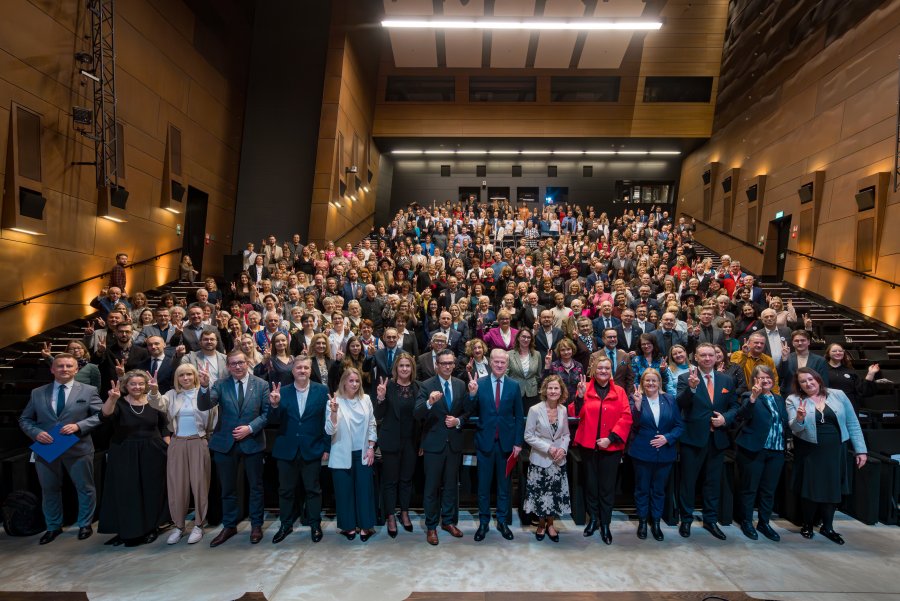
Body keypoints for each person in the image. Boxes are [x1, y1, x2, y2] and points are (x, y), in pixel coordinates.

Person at [19, 353, 103, 544]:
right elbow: (25, 419)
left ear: (76, 369)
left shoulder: (88, 391)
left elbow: (100, 415)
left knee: (85, 488)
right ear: (52, 369)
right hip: (47, 447)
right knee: (49, 489)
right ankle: (53, 526)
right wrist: (36, 433)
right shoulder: (38, 392)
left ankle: (84, 524)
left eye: (68, 366)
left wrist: (79, 426)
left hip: (78, 447)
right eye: (60, 366)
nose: (64, 369)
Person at [786, 367, 867, 545]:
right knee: (810, 487)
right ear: (799, 385)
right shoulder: (793, 399)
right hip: (810, 450)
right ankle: (807, 524)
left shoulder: (837, 394)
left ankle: (828, 527)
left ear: (818, 379)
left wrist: (861, 450)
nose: (808, 383)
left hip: (836, 449)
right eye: (803, 381)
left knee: (832, 488)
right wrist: (799, 418)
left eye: (810, 379)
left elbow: (852, 422)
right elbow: (795, 428)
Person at [197, 350, 270, 547]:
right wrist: (204, 387)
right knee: (227, 488)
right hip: (225, 444)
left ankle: (256, 525)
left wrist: (250, 428)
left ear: (247, 363)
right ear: (228, 366)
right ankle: (229, 525)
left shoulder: (261, 384)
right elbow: (205, 405)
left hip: (252, 442)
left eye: (240, 363)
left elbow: (266, 413)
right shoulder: (220, 384)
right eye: (233, 364)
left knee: (256, 488)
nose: (237, 366)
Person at [675, 343, 739, 539]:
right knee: (688, 482)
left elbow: (735, 406)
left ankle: (710, 520)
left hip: (717, 439)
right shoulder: (686, 378)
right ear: (696, 358)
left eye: (711, 355)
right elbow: (680, 403)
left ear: (716, 357)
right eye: (703, 355)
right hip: (693, 439)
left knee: (712, 483)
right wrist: (691, 390)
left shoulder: (726, 380)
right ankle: (685, 520)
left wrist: (725, 419)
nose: (708, 358)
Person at [99, 370, 170, 546]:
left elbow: (164, 427)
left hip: (153, 451)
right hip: (124, 451)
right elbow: (105, 415)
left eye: (140, 384)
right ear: (126, 386)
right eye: (133, 384)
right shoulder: (119, 402)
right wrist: (112, 399)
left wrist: (168, 448)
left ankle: (151, 527)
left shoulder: (154, 402)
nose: (137, 387)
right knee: (126, 492)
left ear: (146, 385)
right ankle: (127, 529)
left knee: (151, 491)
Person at [148, 363, 216, 545]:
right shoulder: (171, 395)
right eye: (181, 375)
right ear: (176, 378)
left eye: (189, 374)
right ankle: (179, 526)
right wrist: (154, 391)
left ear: (195, 376)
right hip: (177, 443)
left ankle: (199, 525)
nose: (185, 378)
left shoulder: (204, 393)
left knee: (200, 485)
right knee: (177, 486)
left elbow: (213, 419)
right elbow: (157, 404)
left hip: (198, 442)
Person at [568, 356, 633, 545]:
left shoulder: (619, 391)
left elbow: (626, 417)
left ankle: (605, 523)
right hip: (588, 446)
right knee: (591, 485)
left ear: (610, 370)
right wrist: (579, 398)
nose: (603, 371)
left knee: (606, 488)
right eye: (600, 368)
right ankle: (593, 519)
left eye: (606, 368)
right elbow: (574, 414)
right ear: (594, 370)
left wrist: (610, 438)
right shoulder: (585, 388)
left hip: (610, 447)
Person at [267, 355, 330, 544]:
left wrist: (326, 447)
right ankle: (285, 524)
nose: (302, 371)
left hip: (312, 448)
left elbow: (328, 421)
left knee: (313, 490)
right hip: (287, 449)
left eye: (306, 368)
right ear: (292, 370)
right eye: (299, 368)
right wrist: (275, 405)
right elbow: (272, 420)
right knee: (285, 490)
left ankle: (315, 524)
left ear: (311, 370)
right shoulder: (281, 392)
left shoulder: (322, 391)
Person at [414, 348, 471, 545]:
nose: (447, 366)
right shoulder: (426, 385)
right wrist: (429, 402)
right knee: (431, 488)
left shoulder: (461, 385)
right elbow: (417, 413)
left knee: (450, 486)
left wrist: (458, 421)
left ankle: (448, 521)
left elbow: (466, 413)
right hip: (433, 444)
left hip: (453, 444)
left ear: (454, 365)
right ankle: (431, 526)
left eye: (450, 363)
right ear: (437, 365)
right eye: (443, 363)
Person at [466, 349, 524, 542]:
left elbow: (518, 417)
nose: (500, 365)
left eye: (503, 362)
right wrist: (472, 395)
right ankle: (483, 522)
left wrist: (517, 442)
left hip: (506, 445)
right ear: (490, 362)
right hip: (485, 444)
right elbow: (469, 411)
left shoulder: (514, 386)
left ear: (507, 364)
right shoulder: (479, 384)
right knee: (483, 486)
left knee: (504, 486)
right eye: (496, 362)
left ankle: (502, 521)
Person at [628, 368, 683, 542]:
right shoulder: (636, 398)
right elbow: (633, 424)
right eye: (647, 380)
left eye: (654, 380)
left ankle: (656, 522)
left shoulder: (669, 399)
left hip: (665, 453)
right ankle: (643, 522)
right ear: (642, 382)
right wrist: (636, 406)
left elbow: (679, 426)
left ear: (659, 382)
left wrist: (667, 438)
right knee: (642, 489)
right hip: (642, 452)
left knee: (659, 490)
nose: (651, 383)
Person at [734, 365, 788, 542]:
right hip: (754, 449)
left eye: (768, 377)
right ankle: (747, 521)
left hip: (777, 450)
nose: (765, 380)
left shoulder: (779, 399)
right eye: (761, 378)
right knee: (750, 488)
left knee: (768, 490)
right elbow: (741, 416)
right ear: (755, 380)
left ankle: (764, 522)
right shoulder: (747, 396)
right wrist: (753, 397)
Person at [325, 367, 378, 541]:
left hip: (362, 453)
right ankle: (348, 527)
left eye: (357, 381)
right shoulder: (334, 401)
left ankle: (365, 526)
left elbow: (372, 424)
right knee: (344, 492)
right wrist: (333, 412)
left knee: (364, 492)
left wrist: (371, 447)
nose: (354, 384)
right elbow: (329, 429)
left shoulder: (366, 399)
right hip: (341, 453)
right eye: (351, 381)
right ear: (344, 382)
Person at [374, 353, 419, 537]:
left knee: (406, 480)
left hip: (411, 441)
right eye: (401, 366)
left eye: (408, 366)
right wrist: (381, 398)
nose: (404, 369)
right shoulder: (388, 386)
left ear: (412, 368)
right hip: (391, 441)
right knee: (390, 481)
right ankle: (391, 515)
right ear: (396, 368)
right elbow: (378, 414)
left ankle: (405, 512)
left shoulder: (418, 387)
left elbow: (422, 417)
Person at [522, 375, 571, 543]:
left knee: (555, 495)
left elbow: (565, 434)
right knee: (540, 495)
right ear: (545, 390)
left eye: (556, 388)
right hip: (540, 459)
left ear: (561, 391)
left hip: (558, 460)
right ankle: (541, 524)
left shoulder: (563, 410)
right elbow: (528, 436)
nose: (553, 391)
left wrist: (562, 450)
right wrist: (549, 448)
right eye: (550, 388)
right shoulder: (535, 410)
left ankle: (551, 524)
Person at [823, 343, 879, 411]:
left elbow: (862, 390)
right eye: (834, 351)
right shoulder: (822, 370)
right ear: (828, 354)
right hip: (828, 406)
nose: (838, 353)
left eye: (840, 351)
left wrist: (871, 373)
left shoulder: (850, 371)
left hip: (849, 407)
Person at [777, 329, 829, 396]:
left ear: (809, 342)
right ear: (792, 343)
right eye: (796, 341)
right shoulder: (786, 357)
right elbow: (780, 376)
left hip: (812, 396)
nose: (800, 343)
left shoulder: (820, 360)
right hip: (790, 395)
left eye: (803, 340)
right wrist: (784, 359)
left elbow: (824, 383)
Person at [507, 329, 542, 413]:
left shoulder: (537, 354)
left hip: (532, 393)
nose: (526, 339)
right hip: (515, 392)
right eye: (523, 337)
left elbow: (538, 374)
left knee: (531, 418)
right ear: (518, 338)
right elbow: (505, 374)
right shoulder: (509, 354)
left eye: (528, 337)